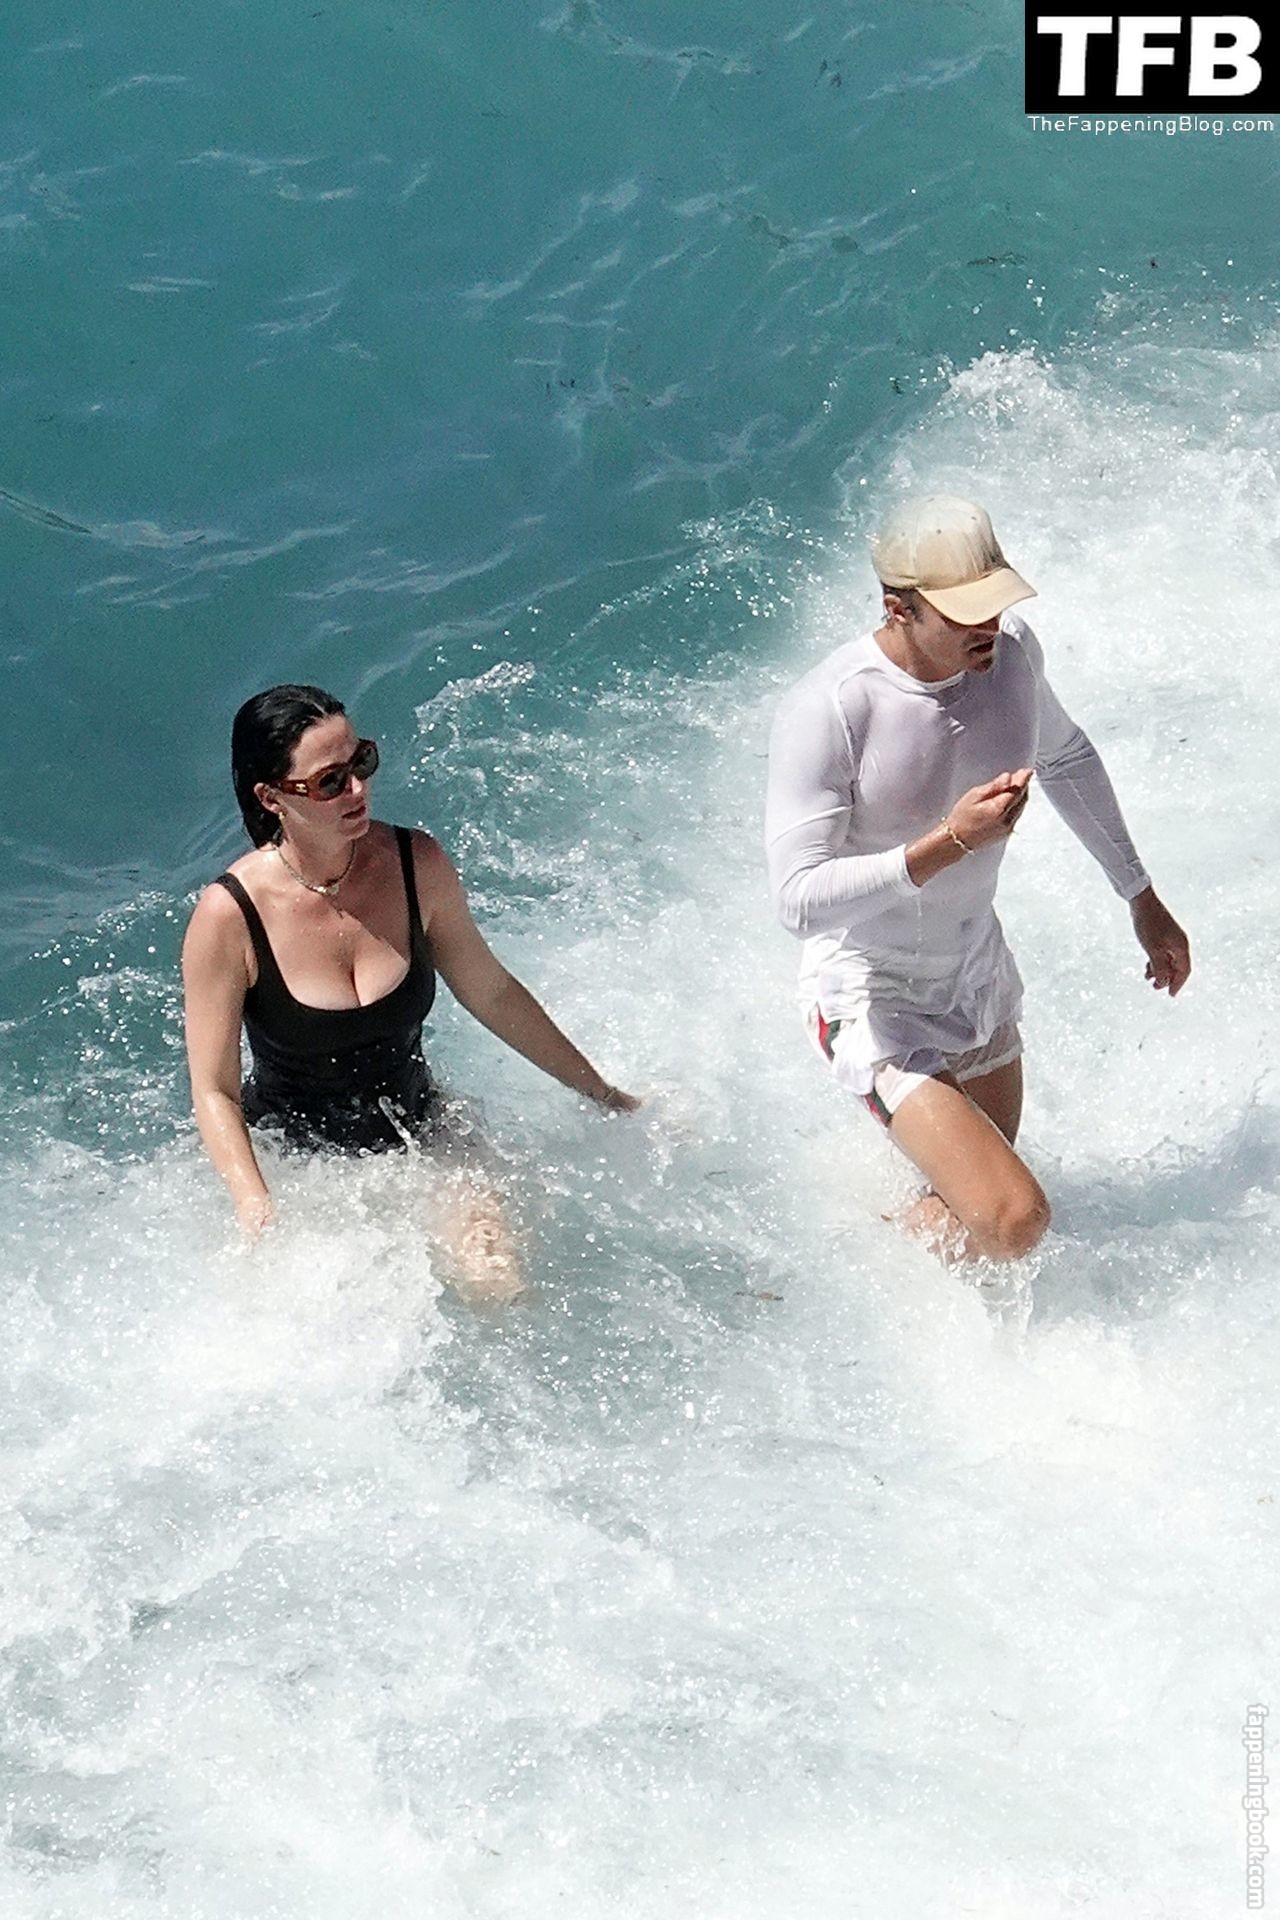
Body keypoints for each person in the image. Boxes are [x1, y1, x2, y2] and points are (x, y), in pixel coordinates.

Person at [766, 496, 1190, 1265]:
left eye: (995, 601)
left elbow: (1065, 757)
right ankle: (844, 1274)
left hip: (977, 977)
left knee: (980, 1223)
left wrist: (1141, 896)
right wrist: (948, 843)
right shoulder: (833, 709)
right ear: (898, 608)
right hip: (872, 1000)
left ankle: (877, 1255)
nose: (988, 624)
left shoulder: (1013, 654)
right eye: (965, 613)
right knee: (1015, 1218)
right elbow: (798, 901)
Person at [183, 684, 638, 1298]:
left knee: (497, 1283)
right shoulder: (230, 915)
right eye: (330, 781)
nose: (358, 789)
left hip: (425, 1131)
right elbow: (214, 1089)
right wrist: (258, 1210)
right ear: (272, 798)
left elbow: (492, 992)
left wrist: (604, 1094)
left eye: (362, 762)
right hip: (302, 1165)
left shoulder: (413, 862)